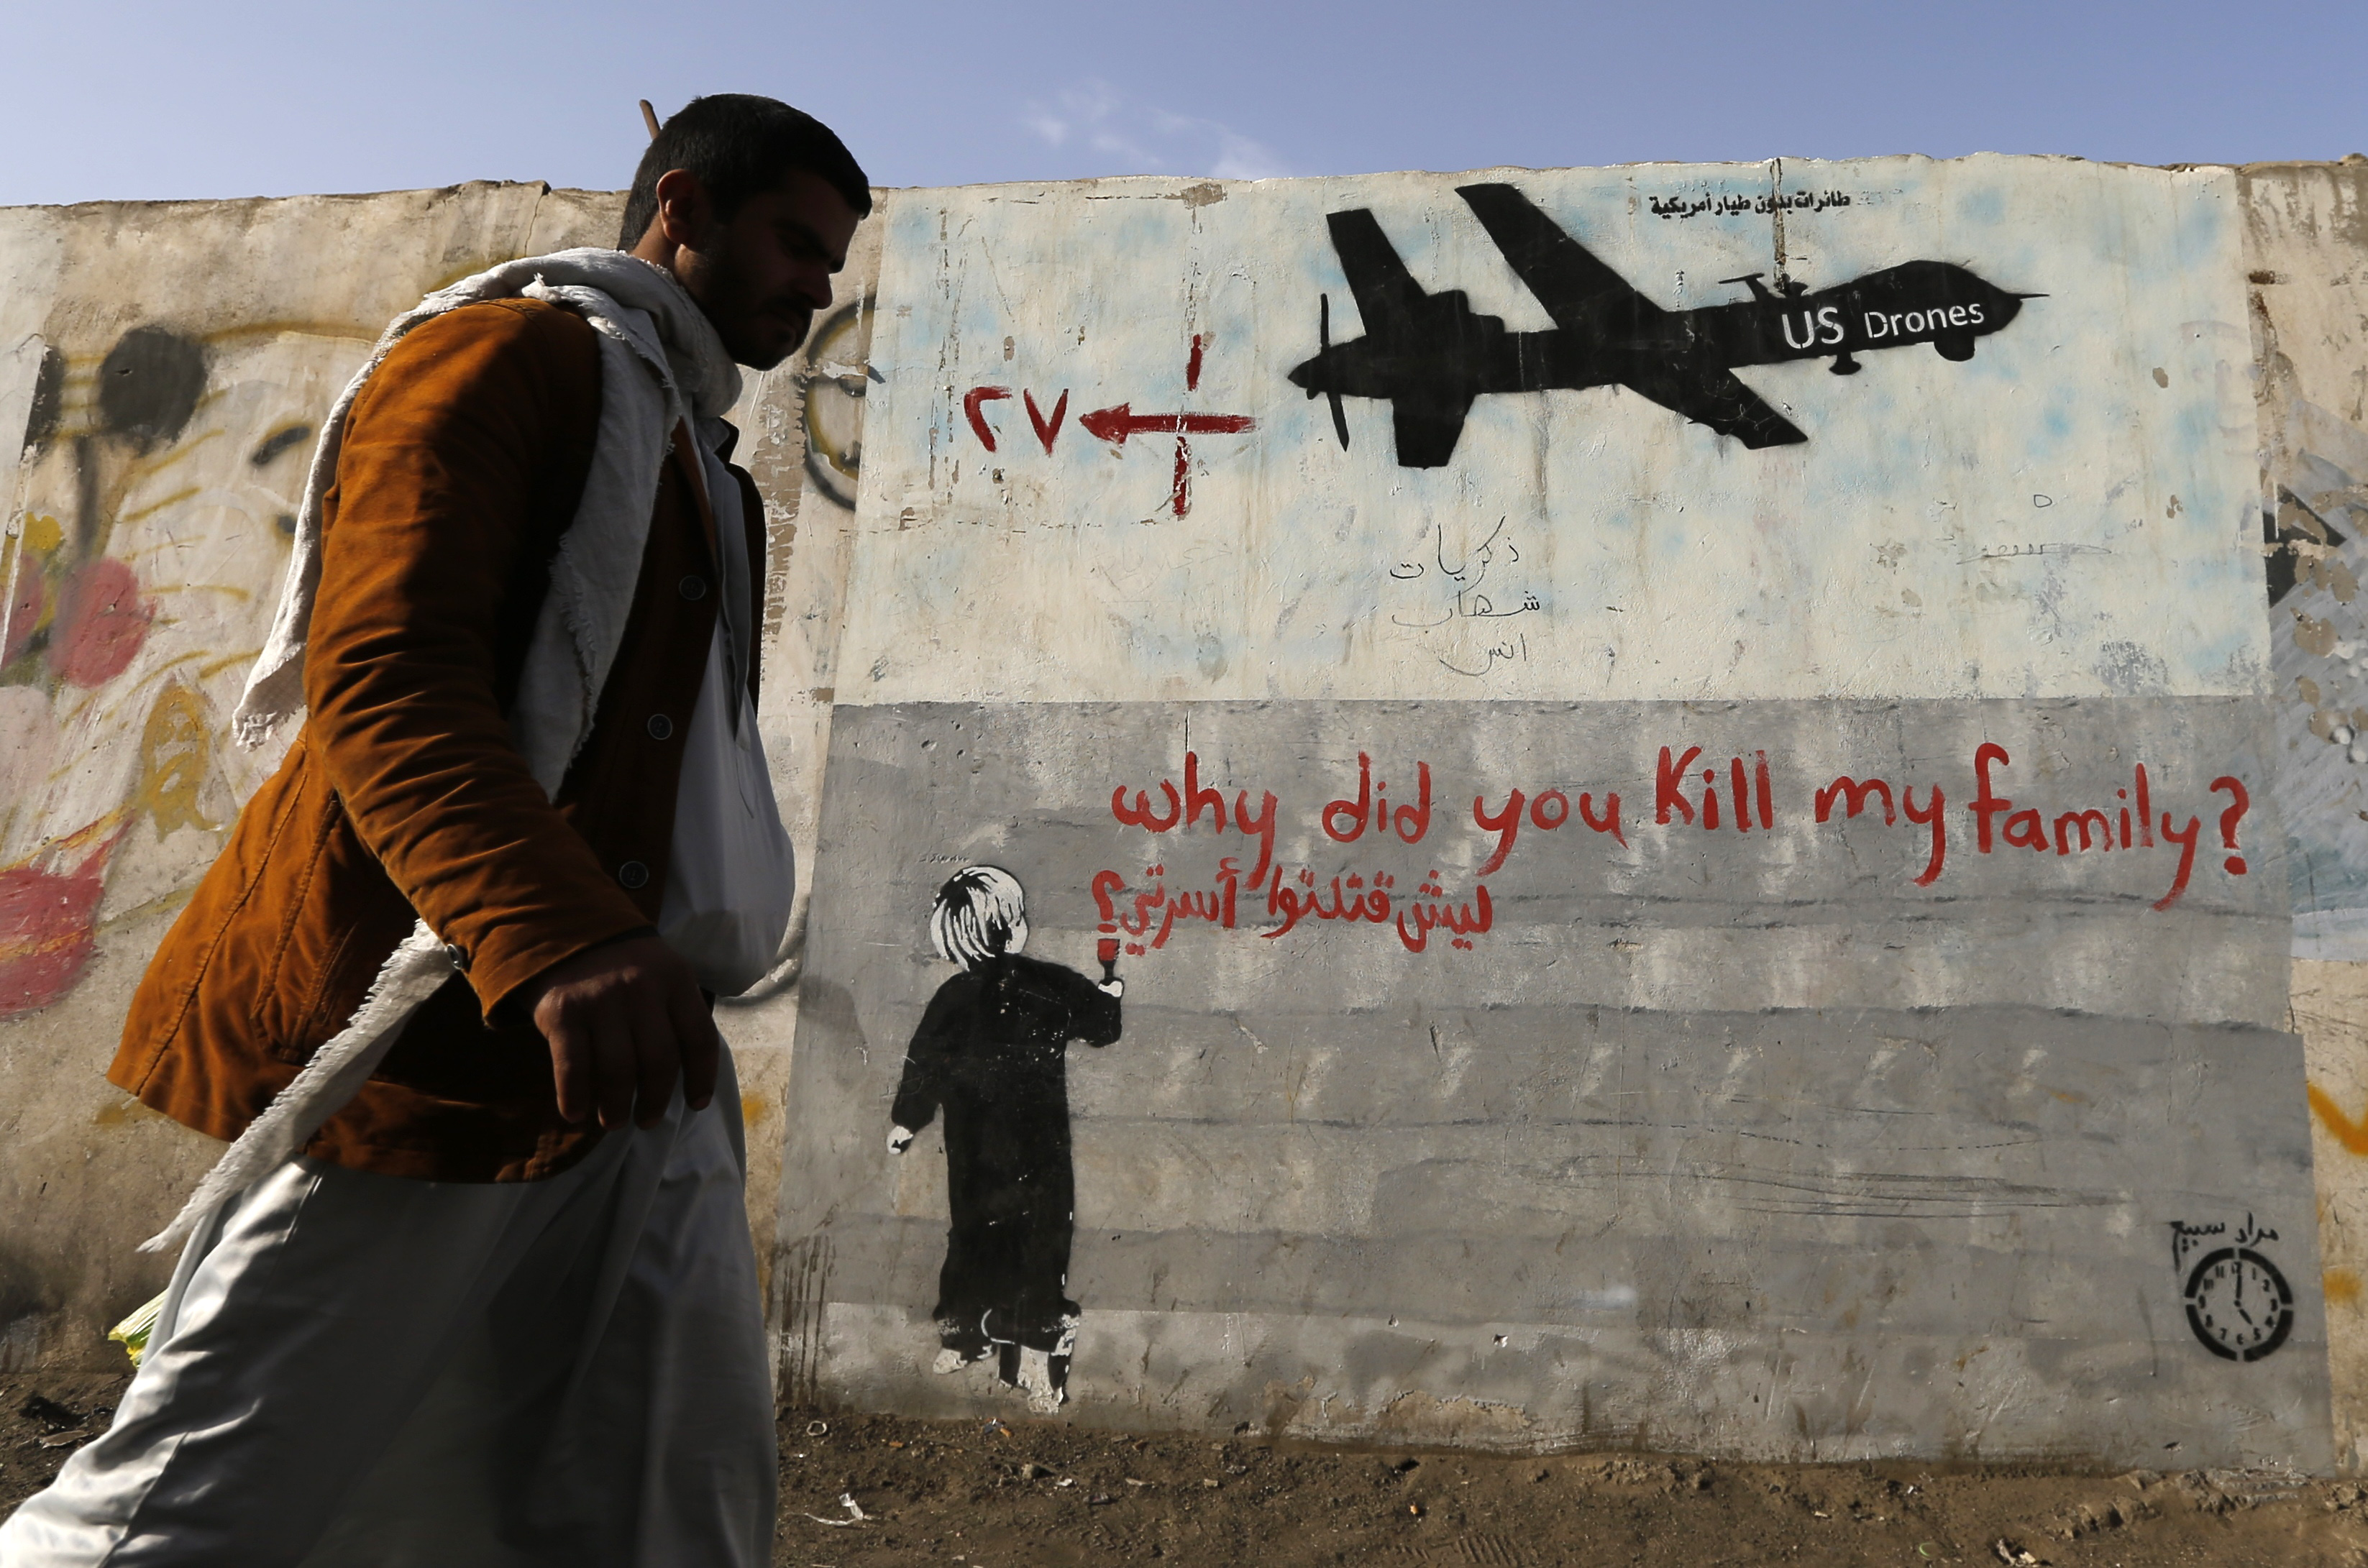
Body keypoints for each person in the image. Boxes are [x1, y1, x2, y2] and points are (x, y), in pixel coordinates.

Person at [0, 95, 867, 1568]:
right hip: (441, 1038)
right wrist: (555, 931)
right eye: (794, 241)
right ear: (685, 206)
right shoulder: (505, 357)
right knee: (191, 1507)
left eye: (832, 265)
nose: (815, 287)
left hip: (637, 1064)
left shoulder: (699, 456)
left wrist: (612, 951)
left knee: (668, 1493)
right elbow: (386, 677)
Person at [887, 866, 1123, 1413]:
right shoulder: (1049, 983)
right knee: (1040, 1247)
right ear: (1014, 925)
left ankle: (962, 1333)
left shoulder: (953, 995)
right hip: (1039, 1149)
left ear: (952, 932)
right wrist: (1110, 992)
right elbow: (1100, 1026)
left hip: (973, 1153)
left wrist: (907, 1120)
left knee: (971, 1237)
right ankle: (1038, 1363)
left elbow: (924, 1064)